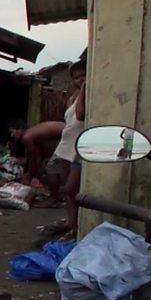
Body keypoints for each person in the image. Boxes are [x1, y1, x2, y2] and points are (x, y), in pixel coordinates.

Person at [51, 59, 87, 232]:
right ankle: (70, 223)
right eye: (76, 77)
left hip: (79, 149)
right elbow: (69, 119)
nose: (79, 80)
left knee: (71, 189)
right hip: (67, 147)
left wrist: (85, 89)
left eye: (83, 76)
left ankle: (75, 224)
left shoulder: (86, 93)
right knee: (68, 191)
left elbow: (80, 116)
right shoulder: (74, 96)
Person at [9, 119, 65, 205]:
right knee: (51, 166)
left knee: (52, 168)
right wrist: (31, 173)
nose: (12, 135)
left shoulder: (27, 137)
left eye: (13, 132)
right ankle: (56, 196)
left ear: (20, 130)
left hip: (66, 134)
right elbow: (40, 156)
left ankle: (54, 200)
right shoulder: (34, 134)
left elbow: (33, 158)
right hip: (65, 132)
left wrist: (29, 176)